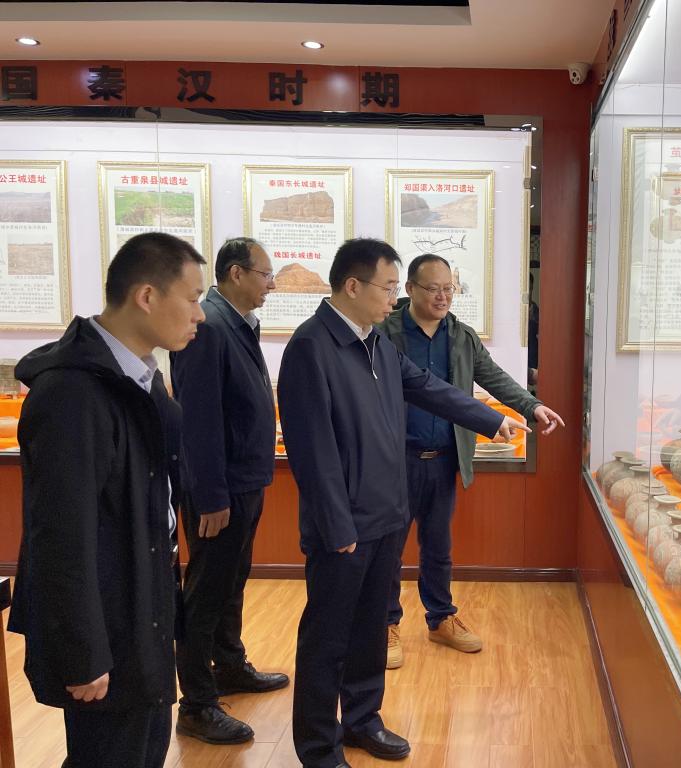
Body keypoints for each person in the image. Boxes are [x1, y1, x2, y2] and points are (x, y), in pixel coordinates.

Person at [278, 237, 528, 768]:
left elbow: (428, 387)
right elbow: (312, 451)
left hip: (386, 513)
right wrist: (335, 524)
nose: (394, 298)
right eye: (389, 287)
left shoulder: (375, 342)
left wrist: (493, 420)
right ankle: (319, 747)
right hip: (344, 527)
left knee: (371, 629)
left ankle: (363, 720)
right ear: (353, 286)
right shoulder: (311, 347)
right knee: (328, 638)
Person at [8, 232, 206, 768]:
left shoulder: (138, 376)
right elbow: (59, 534)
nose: (200, 315)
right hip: (108, 626)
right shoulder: (72, 393)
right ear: (147, 296)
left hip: (142, 605)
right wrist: (82, 652)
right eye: (192, 299)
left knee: (144, 749)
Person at [379, 254, 564, 667]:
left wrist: (531, 406)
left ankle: (441, 618)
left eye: (449, 288)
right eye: (433, 288)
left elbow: (493, 377)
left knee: (438, 545)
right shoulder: (386, 332)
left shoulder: (461, 336)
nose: (443, 296)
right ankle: (385, 623)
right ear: (410, 289)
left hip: (444, 459)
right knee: (389, 547)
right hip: (396, 459)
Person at [170, 237, 289, 745]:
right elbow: (197, 420)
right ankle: (197, 704)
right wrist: (212, 496)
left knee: (231, 581)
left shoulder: (238, 323)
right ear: (236, 274)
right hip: (220, 489)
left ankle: (230, 666)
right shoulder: (211, 327)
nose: (272, 284)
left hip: (244, 480)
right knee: (205, 592)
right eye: (265, 274)